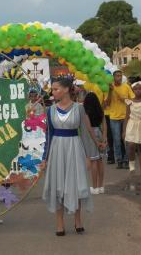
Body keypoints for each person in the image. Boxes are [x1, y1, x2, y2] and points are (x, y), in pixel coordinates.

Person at [41, 77, 98, 236]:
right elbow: (49, 134)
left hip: (75, 148)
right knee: (58, 185)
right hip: (57, 149)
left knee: (76, 183)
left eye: (56, 89)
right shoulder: (50, 110)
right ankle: (60, 223)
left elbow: (86, 133)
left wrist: (89, 155)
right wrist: (44, 158)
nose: (53, 92)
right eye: (52, 89)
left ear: (66, 89)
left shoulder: (79, 108)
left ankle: (78, 221)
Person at [104, 70, 134, 169]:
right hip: (113, 117)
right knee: (116, 140)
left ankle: (126, 159)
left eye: (120, 76)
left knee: (125, 139)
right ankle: (119, 160)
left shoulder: (126, 86)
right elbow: (107, 104)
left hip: (125, 117)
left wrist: (125, 99)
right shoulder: (109, 88)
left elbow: (132, 100)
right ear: (113, 77)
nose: (119, 77)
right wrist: (110, 91)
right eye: (117, 76)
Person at [122, 82, 141, 177]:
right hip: (132, 124)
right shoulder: (129, 102)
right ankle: (132, 167)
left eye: (140, 89)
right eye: (136, 89)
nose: (138, 90)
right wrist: (124, 130)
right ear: (133, 90)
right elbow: (126, 117)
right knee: (131, 145)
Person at [83, 90, 107, 195]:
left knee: (93, 161)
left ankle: (94, 186)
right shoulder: (100, 111)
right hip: (100, 133)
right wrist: (104, 139)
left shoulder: (86, 112)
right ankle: (101, 186)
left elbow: (89, 129)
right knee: (100, 161)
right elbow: (105, 126)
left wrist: (96, 142)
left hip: (91, 136)